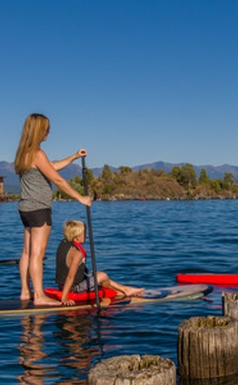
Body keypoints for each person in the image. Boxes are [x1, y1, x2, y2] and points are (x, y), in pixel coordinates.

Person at [14, 113, 93, 306]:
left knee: (26, 252)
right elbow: (57, 180)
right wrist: (79, 197)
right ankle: (40, 296)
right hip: (39, 209)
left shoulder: (23, 153)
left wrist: (74, 157)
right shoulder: (37, 153)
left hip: (25, 209)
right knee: (37, 254)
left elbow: (51, 168)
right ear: (39, 130)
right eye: (46, 128)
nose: (49, 132)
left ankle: (26, 291)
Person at [55, 219, 144, 306]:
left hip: (62, 284)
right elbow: (70, 276)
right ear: (77, 236)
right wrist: (64, 297)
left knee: (97, 274)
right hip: (74, 288)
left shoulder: (63, 243)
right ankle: (117, 293)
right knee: (103, 276)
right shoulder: (77, 253)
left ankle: (125, 289)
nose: (86, 235)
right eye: (84, 233)